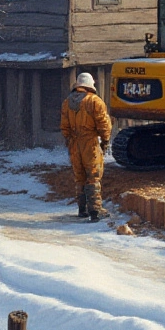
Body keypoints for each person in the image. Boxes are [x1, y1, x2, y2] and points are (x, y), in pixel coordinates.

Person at [60, 72, 113, 221]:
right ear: (90, 85)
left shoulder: (67, 102)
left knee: (80, 176)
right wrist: (105, 141)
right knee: (93, 176)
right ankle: (95, 211)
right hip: (90, 143)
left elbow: (64, 127)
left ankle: (82, 209)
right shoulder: (95, 101)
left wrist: (70, 141)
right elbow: (104, 125)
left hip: (74, 143)